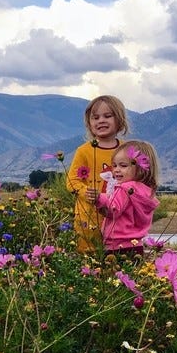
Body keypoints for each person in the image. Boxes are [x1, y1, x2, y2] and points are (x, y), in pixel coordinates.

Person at [65, 95, 129, 253]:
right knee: (89, 258)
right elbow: (72, 180)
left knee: (118, 256)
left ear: (119, 120)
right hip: (89, 217)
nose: (101, 120)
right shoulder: (84, 151)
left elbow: (137, 175)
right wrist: (85, 192)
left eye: (108, 116)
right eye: (95, 117)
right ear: (89, 123)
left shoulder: (127, 149)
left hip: (119, 215)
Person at [84, 140, 160, 257]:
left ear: (141, 168)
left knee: (113, 275)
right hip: (136, 245)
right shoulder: (145, 191)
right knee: (131, 274)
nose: (116, 170)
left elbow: (113, 210)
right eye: (114, 165)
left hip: (117, 245)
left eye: (123, 165)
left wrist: (100, 198)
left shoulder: (125, 188)